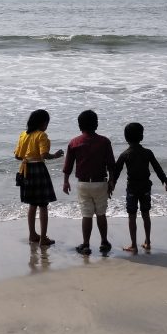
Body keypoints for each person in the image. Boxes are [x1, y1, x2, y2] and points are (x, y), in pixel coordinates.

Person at [62, 109, 115, 255]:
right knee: (101, 214)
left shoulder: (74, 142)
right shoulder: (104, 141)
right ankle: (104, 242)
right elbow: (111, 164)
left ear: (80, 126)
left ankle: (86, 245)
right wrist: (111, 182)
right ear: (96, 124)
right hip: (100, 182)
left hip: (83, 184)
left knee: (86, 215)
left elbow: (68, 165)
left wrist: (66, 182)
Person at [112, 121, 167, 254]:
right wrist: (165, 181)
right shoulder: (148, 153)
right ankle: (148, 242)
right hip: (145, 187)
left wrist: (112, 185)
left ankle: (133, 245)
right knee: (146, 214)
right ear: (141, 137)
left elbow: (116, 171)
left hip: (132, 188)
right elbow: (157, 168)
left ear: (126, 138)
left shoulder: (125, 154)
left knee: (131, 216)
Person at [14, 109, 63, 247]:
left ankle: (32, 235)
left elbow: (17, 156)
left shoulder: (23, 135)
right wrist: (56, 155)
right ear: (42, 123)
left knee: (32, 204)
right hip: (38, 170)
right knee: (43, 205)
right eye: (47, 122)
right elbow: (44, 155)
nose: (47, 125)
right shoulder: (42, 135)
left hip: (26, 170)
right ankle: (43, 239)